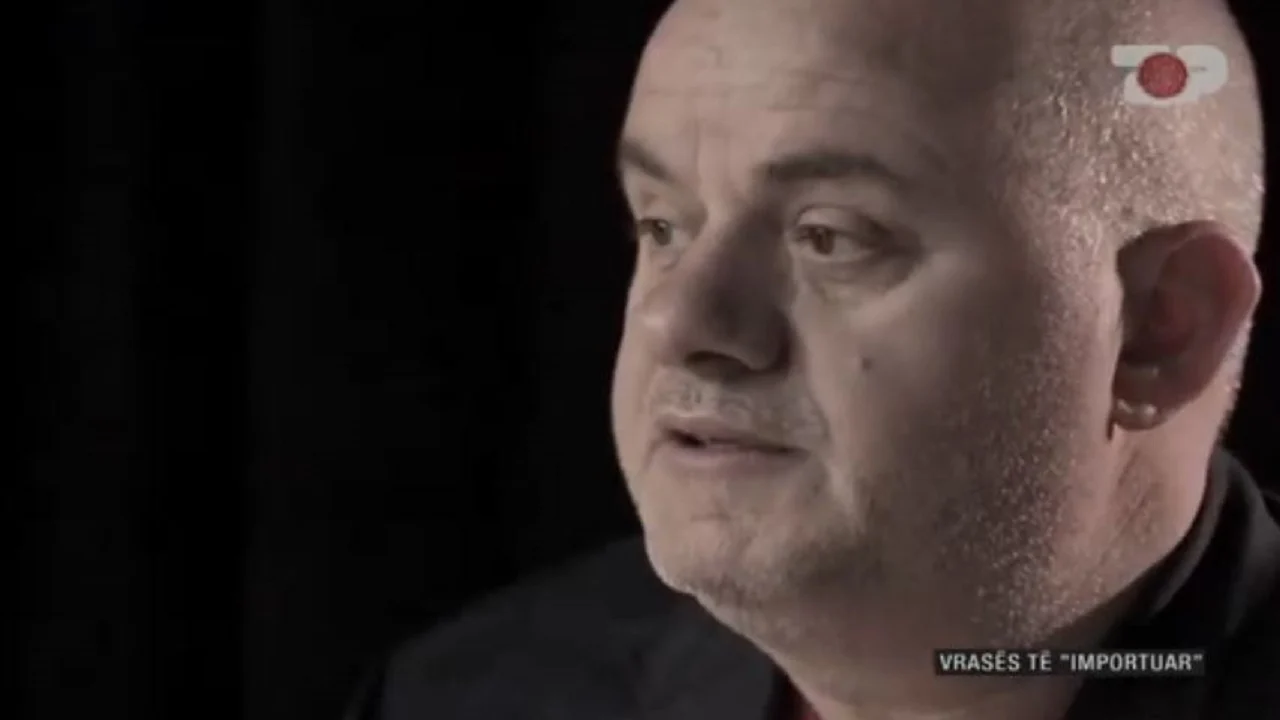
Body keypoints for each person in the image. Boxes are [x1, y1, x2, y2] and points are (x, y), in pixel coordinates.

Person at [348, 0, 1279, 717]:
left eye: (830, 235)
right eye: (662, 225)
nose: (680, 322)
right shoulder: (473, 696)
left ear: (1161, 330)